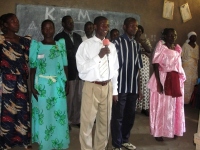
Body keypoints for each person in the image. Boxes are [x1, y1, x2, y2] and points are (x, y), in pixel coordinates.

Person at [76, 16, 119, 150]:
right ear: (95, 26)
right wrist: (98, 56)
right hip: (91, 87)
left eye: (107, 25)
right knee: (87, 123)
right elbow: (81, 70)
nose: (105, 28)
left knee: (104, 124)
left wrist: (115, 91)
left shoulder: (111, 46)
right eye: (102, 25)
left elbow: (115, 70)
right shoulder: (85, 45)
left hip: (107, 88)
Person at [29, 19, 70, 150]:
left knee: (58, 112)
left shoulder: (60, 45)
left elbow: (65, 66)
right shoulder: (36, 46)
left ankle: (58, 140)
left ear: (54, 29)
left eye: (50, 28)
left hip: (57, 85)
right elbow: (32, 69)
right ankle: (44, 141)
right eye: (45, 28)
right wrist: (32, 87)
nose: (48, 31)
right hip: (42, 86)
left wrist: (67, 82)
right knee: (43, 114)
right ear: (41, 30)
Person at [147, 28, 186, 141]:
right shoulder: (161, 46)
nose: (172, 37)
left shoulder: (177, 48)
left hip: (174, 79)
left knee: (173, 106)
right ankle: (158, 132)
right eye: (169, 35)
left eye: (174, 35)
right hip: (163, 77)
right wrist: (159, 82)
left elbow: (178, 65)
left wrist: (180, 79)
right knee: (161, 106)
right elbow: (155, 64)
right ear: (164, 36)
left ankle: (172, 129)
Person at [0, 13, 31, 150]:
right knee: (7, 112)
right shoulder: (1, 41)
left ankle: (24, 140)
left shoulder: (24, 41)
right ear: (5, 25)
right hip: (5, 82)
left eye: (17, 20)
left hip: (21, 82)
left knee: (22, 111)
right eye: (13, 21)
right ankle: (6, 143)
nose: (16, 22)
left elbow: (34, 58)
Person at [111, 17, 143, 150]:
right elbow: (112, 67)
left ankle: (125, 140)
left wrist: (139, 89)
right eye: (131, 26)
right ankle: (116, 144)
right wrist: (113, 89)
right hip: (120, 87)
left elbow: (138, 68)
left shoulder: (137, 45)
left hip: (133, 88)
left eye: (136, 26)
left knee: (130, 116)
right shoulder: (116, 43)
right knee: (118, 117)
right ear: (124, 27)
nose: (134, 28)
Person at [54, 15, 83, 129]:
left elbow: (81, 52)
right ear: (63, 24)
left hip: (79, 72)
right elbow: (59, 55)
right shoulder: (59, 37)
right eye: (69, 22)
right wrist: (71, 52)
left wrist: (71, 52)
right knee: (68, 99)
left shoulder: (77, 37)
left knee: (78, 98)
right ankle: (66, 121)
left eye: (72, 22)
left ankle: (76, 119)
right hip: (67, 72)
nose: (72, 24)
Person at [135, 25, 152, 116]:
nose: (138, 32)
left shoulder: (145, 40)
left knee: (145, 85)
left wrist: (140, 40)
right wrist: (143, 52)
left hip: (144, 66)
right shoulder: (131, 40)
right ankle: (134, 107)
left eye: (140, 31)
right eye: (137, 30)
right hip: (135, 65)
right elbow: (134, 52)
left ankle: (144, 108)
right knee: (136, 84)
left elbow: (149, 50)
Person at [182, 31, 199, 104]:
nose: (194, 38)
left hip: (194, 68)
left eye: (195, 37)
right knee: (185, 83)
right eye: (192, 36)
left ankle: (190, 101)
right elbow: (181, 56)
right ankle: (183, 101)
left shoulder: (197, 47)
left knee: (192, 83)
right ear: (189, 37)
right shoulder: (185, 45)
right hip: (186, 67)